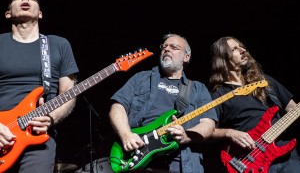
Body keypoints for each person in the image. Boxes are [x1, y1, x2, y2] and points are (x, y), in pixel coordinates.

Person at [108, 33, 218, 173]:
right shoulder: (141, 78)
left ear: (186, 57)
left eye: (174, 47)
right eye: (164, 46)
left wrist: (186, 136)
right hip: (136, 156)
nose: (166, 49)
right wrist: (125, 134)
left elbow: (208, 123)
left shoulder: (198, 88)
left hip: (182, 164)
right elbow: (117, 106)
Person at [0, 0, 79, 173]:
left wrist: (51, 118)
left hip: (37, 137)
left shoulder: (58, 45)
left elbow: (68, 94)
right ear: (8, 13)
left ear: (40, 13)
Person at [204, 36, 300, 173]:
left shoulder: (266, 82)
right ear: (223, 59)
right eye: (235, 49)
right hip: (249, 162)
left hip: (287, 158)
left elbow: (294, 109)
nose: (243, 50)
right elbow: (208, 132)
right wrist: (229, 133)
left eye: (241, 46)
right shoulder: (218, 95)